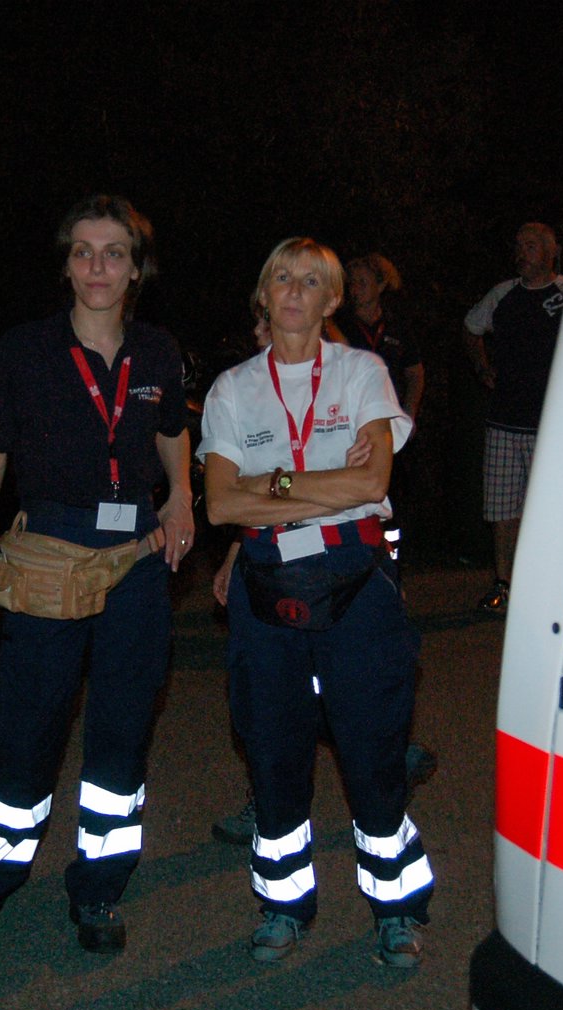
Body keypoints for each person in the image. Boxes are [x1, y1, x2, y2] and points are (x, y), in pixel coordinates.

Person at [0, 194, 193, 956]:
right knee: (28, 729)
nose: (97, 266)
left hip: (136, 563)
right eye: (82, 251)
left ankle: (99, 888)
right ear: (66, 263)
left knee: (121, 732)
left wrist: (182, 497)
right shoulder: (23, 350)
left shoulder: (159, 352)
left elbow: (173, 429)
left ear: (136, 268)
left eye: (114, 252)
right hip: (48, 554)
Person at [198, 238, 434, 966]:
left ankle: (396, 907)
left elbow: (370, 485)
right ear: (264, 295)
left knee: (370, 747)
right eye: (281, 278)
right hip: (266, 580)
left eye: (311, 282)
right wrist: (313, 477)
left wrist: (268, 484)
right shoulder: (233, 388)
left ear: (333, 299)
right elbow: (217, 504)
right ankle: (282, 903)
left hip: (356, 574)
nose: (294, 291)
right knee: (273, 752)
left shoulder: (362, 371)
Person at [463, 222, 563, 613]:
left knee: (550, 510)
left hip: (553, 426)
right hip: (504, 421)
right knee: (502, 511)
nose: (522, 252)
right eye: (519, 245)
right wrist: (482, 367)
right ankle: (503, 585)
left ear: (551, 252)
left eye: (531, 245)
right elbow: (470, 327)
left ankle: (549, 589)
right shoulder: (503, 294)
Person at [338, 253, 423, 564]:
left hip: (390, 427)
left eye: (363, 282)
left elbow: (415, 372)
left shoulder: (398, 326)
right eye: (352, 284)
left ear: (381, 285)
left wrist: (410, 414)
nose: (356, 289)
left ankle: (393, 561)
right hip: (351, 426)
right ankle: (359, 556)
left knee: (395, 496)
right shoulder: (339, 325)